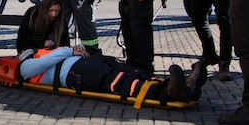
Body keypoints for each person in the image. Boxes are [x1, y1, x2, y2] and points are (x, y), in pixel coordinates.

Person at [18, 45, 206, 104]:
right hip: (78, 76)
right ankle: (170, 92)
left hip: (87, 65)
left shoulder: (49, 54)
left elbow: (53, 57)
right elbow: (44, 62)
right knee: (119, 83)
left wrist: (78, 50)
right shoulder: (25, 67)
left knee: (130, 73)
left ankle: (183, 85)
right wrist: (69, 50)